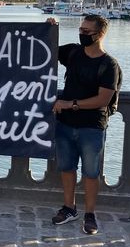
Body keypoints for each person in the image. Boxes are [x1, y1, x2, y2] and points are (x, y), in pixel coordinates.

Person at [51, 14, 121, 235]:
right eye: (80, 30)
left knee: (91, 172)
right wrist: (49, 30)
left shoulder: (109, 65)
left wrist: (70, 104)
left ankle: (90, 214)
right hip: (64, 125)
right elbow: (42, 48)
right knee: (66, 167)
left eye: (86, 32)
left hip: (92, 126)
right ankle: (69, 207)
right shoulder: (72, 52)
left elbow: (103, 99)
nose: (81, 34)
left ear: (99, 34)